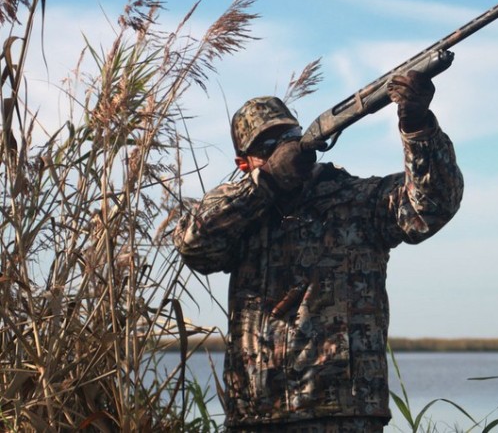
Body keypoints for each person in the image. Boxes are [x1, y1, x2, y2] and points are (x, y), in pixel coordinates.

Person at [174, 70, 463, 432]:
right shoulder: (241, 217)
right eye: (267, 146)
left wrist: (418, 128)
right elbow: (194, 246)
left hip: (344, 414)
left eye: (289, 137)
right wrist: (265, 184)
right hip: (256, 417)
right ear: (244, 164)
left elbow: (432, 206)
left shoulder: (356, 200)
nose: (282, 148)